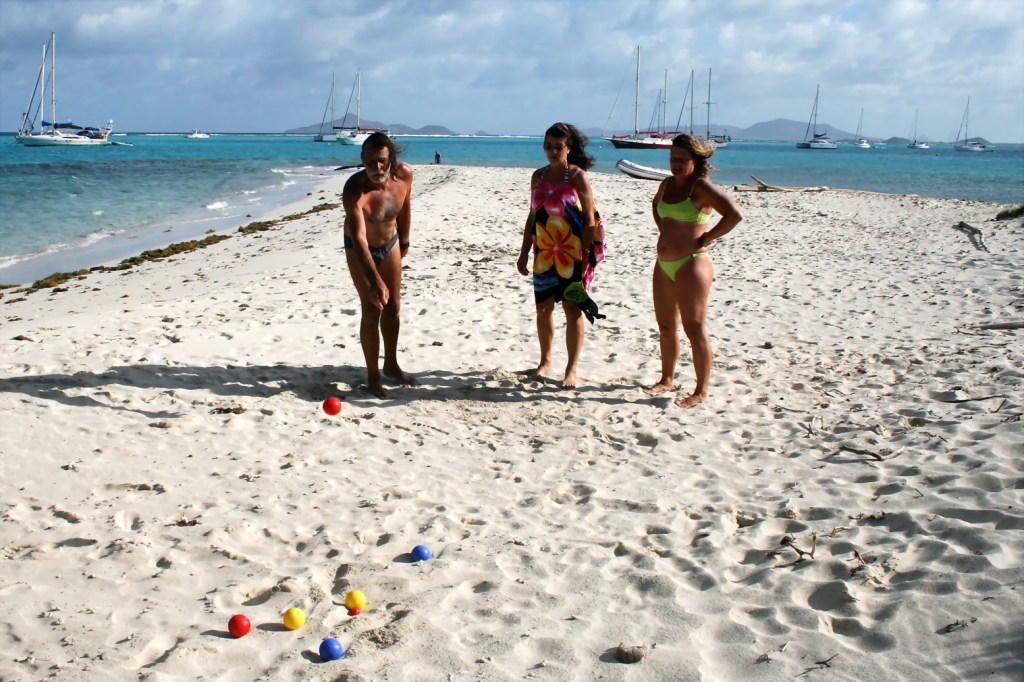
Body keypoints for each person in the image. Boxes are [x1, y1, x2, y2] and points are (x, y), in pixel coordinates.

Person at [644, 134, 742, 407]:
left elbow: (734, 214)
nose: (675, 163)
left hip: (692, 264)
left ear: (695, 161)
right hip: (663, 265)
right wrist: (663, 228)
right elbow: (655, 206)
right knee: (665, 326)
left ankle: (701, 390)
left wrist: (708, 236)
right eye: (672, 158)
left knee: (694, 329)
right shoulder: (666, 184)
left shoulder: (701, 188)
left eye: (681, 159)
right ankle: (667, 379)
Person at [517, 122, 605, 388]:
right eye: (549, 147)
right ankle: (545, 361)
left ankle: (571, 369)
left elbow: (589, 219)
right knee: (543, 309)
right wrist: (523, 253)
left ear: (568, 148)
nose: (553, 152)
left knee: (572, 309)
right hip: (544, 251)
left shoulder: (577, 176)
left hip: (572, 251)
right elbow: (533, 216)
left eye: (558, 147)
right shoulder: (538, 176)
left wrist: (585, 257)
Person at [342, 132, 416, 397]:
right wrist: (373, 279)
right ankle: (373, 377)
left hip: (391, 241)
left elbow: (405, 206)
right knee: (372, 308)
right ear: (362, 160)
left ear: (391, 159)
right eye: (370, 161)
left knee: (393, 307)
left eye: (382, 161)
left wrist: (405, 240)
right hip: (360, 248)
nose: (376, 167)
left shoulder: (404, 175)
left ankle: (392, 365)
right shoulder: (355, 190)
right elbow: (359, 238)